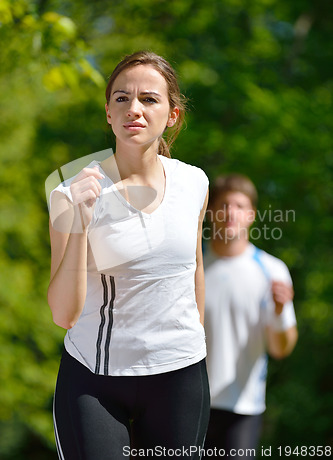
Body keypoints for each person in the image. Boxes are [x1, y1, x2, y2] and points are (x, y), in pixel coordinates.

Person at [47, 51, 210, 459]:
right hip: (95, 380)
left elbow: (194, 273)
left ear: (172, 114)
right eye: (121, 98)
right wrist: (81, 222)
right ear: (107, 112)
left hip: (180, 376)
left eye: (149, 99)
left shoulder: (195, 183)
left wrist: (193, 345)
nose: (133, 109)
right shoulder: (70, 194)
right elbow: (63, 314)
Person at [203, 174, 298, 458]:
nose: (230, 212)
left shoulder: (272, 270)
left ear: (251, 216)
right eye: (223, 205)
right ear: (210, 214)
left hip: (244, 408)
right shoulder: (191, 268)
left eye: (239, 205)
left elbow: (281, 349)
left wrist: (280, 313)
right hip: (190, 405)